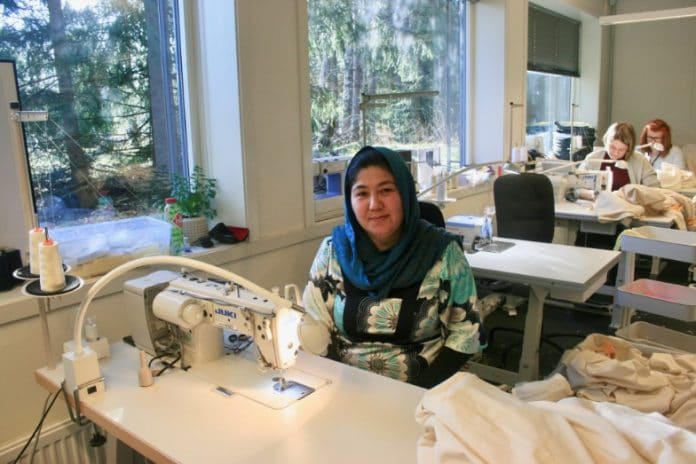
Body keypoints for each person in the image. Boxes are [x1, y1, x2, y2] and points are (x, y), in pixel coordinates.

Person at [302, 146, 482, 388]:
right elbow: (315, 325)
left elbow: (465, 334)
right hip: (345, 387)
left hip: (423, 390)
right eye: (362, 193)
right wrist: (340, 384)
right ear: (350, 201)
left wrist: (415, 394)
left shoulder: (443, 252)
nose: (374, 204)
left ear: (405, 193)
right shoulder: (333, 251)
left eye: (386, 190)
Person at [582, 121, 658, 191]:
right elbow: (577, 185)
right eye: (612, 147)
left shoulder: (640, 160)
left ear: (629, 149)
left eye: (621, 149)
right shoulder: (593, 159)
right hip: (597, 203)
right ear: (606, 142)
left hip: (629, 204)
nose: (616, 153)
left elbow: (655, 189)